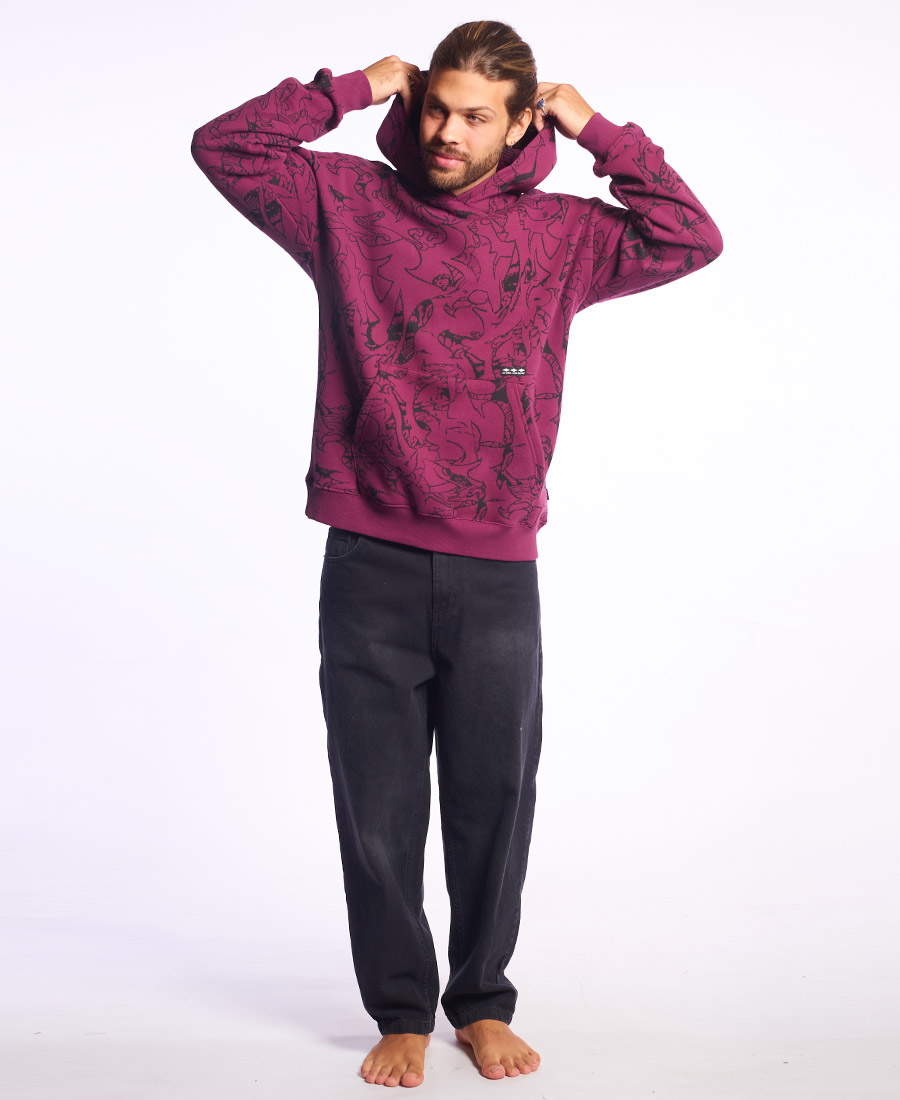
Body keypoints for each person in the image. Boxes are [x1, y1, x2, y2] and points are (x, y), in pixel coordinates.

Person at [190, 18, 723, 1088]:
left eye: (476, 117)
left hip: (497, 568)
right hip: (370, 558)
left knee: (494, 799)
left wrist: (598, 128)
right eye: (436, 107)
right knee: (377, 804)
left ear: (521, 124)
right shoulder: (344, 203)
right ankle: (399, 1007)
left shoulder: (564, 234)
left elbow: (689, 235)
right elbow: (225, 147)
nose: (446, 132)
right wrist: (351, 86)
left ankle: (480, 1001)